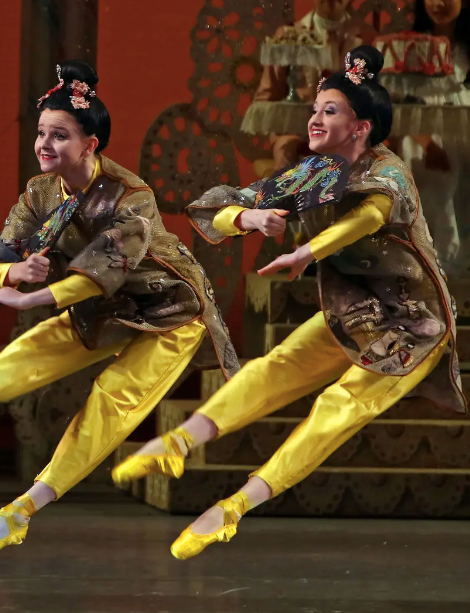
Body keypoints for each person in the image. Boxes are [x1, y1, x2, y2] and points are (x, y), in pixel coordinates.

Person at [112, 45, 466, 559]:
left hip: (415, 325)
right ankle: (178, 444)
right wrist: (248, 218)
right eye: (315, 109)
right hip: (357, 312)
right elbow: (212, 209)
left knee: (337, 407)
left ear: (361, 127)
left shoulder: (389, 174)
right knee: (274, 369)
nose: (315, 119)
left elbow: (364, 220)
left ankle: (233, 508)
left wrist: (305, 251)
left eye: (330, 111)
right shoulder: (311, 174)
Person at [0, 61, 240, 573]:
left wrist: (30, 299)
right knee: (40, 348)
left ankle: (22, 510)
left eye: (59, 135)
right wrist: (11, 275)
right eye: (41, 133)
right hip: (106, 309)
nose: (45, 144)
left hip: (171, 312)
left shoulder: (131, 196)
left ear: (91, 143)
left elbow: (102, 271)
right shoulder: (41, 193)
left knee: (110, 403)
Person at [256, 0, 374, 172]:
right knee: (286, 148)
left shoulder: (367, 38)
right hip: (297, 132)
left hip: (350, 131)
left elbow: (376, 95)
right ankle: (286, 198)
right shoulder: (288, 35)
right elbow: (267, 94)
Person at [399, 0, 470, 274]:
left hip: (464, 138)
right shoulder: (410, 49)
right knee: (435, 181)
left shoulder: (465, 50)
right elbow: (401, 107)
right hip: (424, 139)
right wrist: (427, 144)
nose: (439, 2)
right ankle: (432, 275)